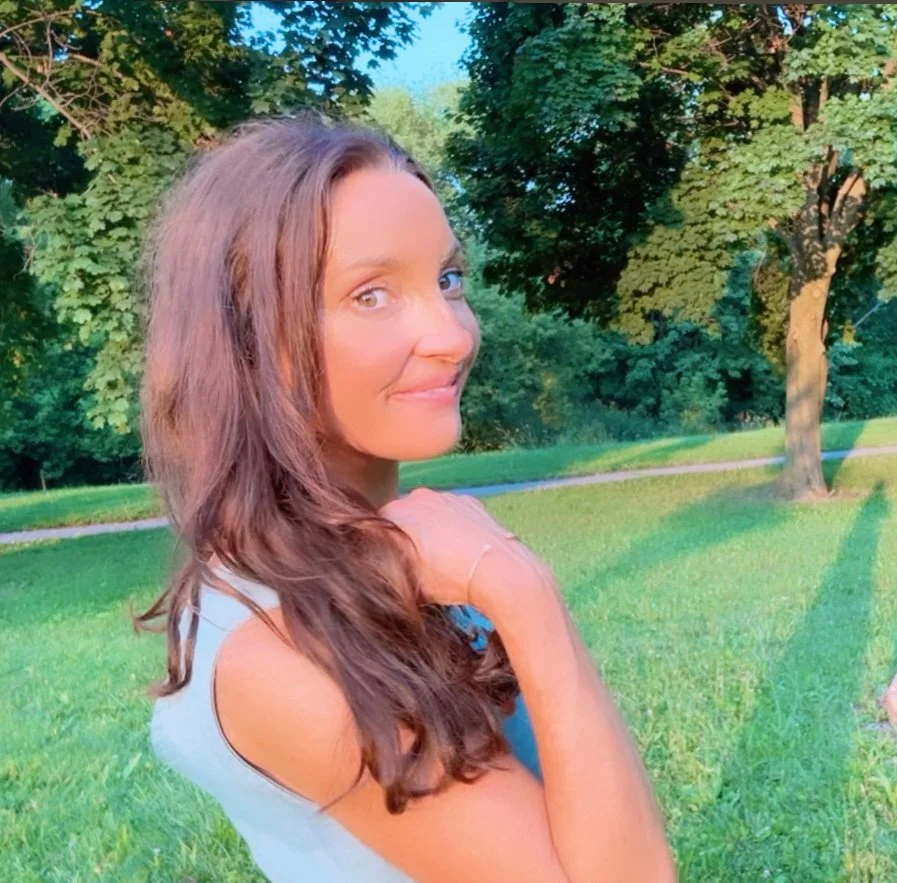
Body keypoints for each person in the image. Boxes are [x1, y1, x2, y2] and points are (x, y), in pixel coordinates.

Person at [136, 116, 676, 883]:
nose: (453, 335)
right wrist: (524, 594)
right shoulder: (281, 655)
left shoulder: (366, 553)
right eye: (372, 294)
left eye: (448, 279)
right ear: (252, 342)